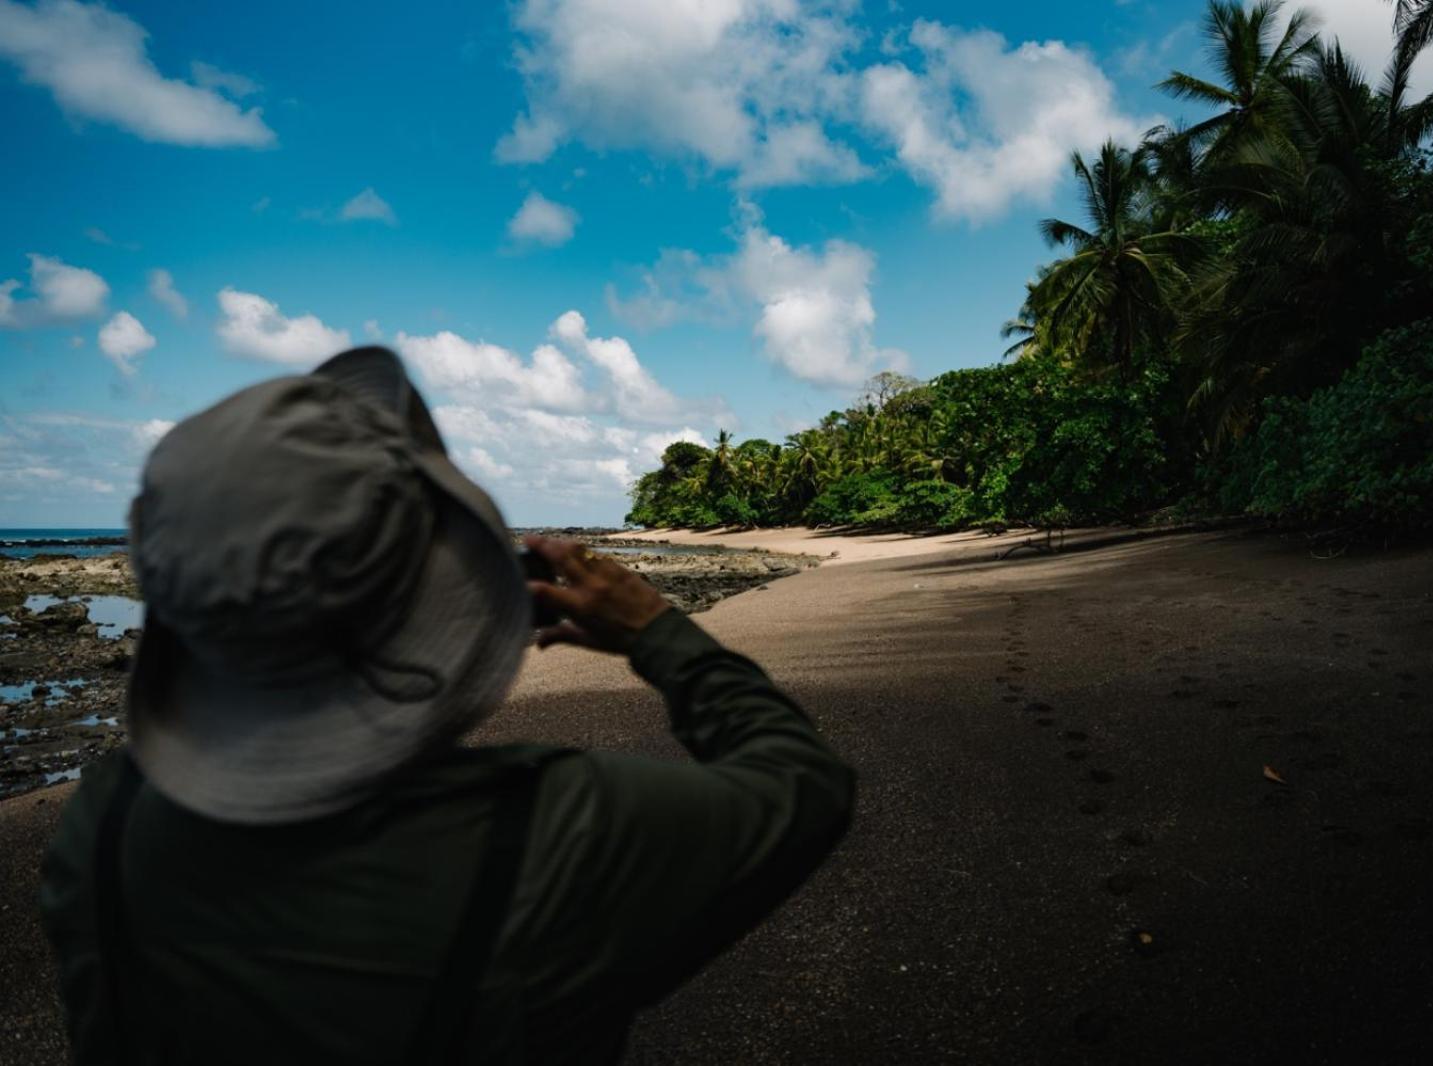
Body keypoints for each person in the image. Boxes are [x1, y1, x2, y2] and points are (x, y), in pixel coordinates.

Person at [38, 346, 855, 1065]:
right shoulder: (558, 830)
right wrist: (656, 632)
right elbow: (803, 783)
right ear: (441, 605)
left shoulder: (104, 822)